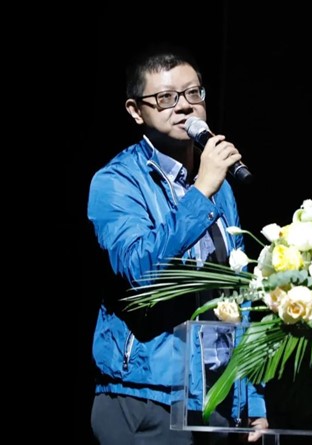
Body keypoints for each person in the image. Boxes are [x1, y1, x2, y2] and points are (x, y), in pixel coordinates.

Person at [87, 42, 268, 445]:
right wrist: (200, 192)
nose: (185, 106)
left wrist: (251, 398)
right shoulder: (116, 182)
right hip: (144, 397)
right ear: (136, 111)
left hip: (215, 396)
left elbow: (237, 294)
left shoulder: (219, 187)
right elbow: (140, 270)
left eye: (193, 93)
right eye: (167, 98)